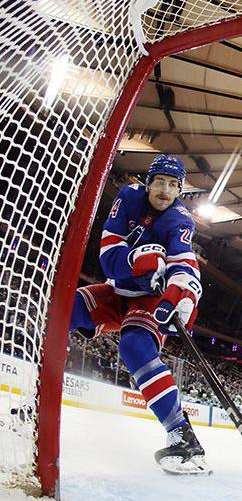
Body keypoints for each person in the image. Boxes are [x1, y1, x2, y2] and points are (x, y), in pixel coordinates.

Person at [69, 154, 206, 474]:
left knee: (134, 347)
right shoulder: (128, 198)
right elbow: (109, 260)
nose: (166, 190)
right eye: (160, 181)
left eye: (174, 185)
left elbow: (184, 263)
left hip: (148, 301)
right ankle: (39, 393)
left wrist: (183, 293)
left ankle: (181, 435)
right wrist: (139, 265)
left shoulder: (180, 220)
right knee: (67, 309)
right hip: (119, 292)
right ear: (148, 182)